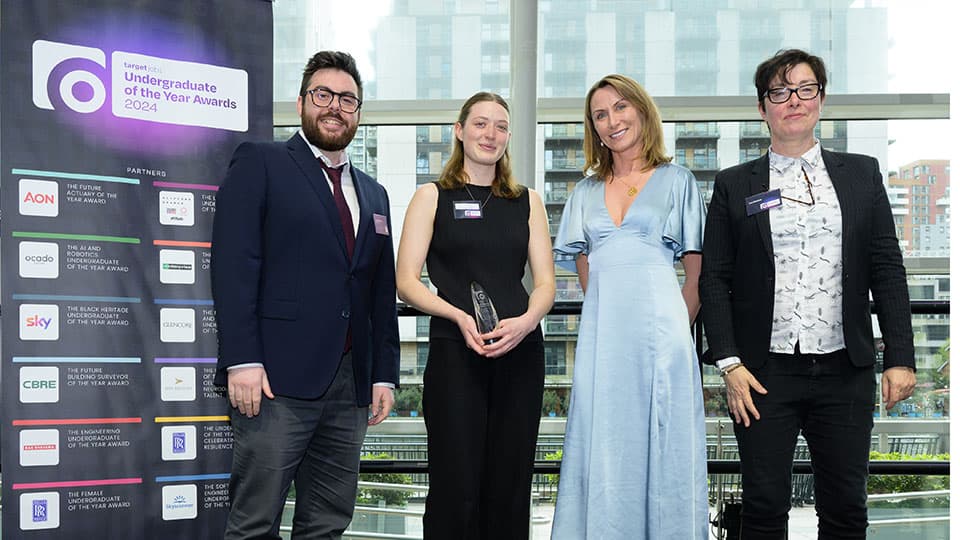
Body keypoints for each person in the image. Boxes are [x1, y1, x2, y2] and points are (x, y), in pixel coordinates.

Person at [699, 49, 916, 539]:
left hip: (845, 369)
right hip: (761, 374)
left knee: (845, 508)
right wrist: (730, 365)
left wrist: (900, 356)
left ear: (820, 98)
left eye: (805, 89)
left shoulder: (861, 174)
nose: (793, 100)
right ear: (763, 108)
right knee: (763, 508)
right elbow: (714, 277)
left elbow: (887, 267)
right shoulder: (735, 185)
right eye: (779, 92)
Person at [211, 50, 400, 539]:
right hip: (275, 381)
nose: (335, 106)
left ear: (358, 113)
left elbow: (380, 293)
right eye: (323, 95)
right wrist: (242, 360)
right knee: (255, 521)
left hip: (350, 387)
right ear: (301, 104)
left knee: (327, 524)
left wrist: (384, 375)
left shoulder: (375, 194)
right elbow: (234, 267)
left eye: (348, 99)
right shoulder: (263, 162)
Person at [551, 74, 708, 539]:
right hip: (603, 341)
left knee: (666, 448)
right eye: (601, 114)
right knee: (604, 445)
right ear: (593, 127)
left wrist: (676, 336)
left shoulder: (678, 181)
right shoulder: (582, 193)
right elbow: (587, 271)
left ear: (641, 111)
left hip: (665, 338)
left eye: (621, 108)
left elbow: (696, 276)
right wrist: (606, 319)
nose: (612, 120)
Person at [395, 91, 555, 539]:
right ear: (460, 131)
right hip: (455, 352)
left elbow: (546, 284)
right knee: (455, 484)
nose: (491, 133)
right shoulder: (431, 196)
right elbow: (406, 280)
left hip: (520, 352)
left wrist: (525, 323)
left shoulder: (528, 201)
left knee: (510, 483)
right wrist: (458, 316)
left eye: (501, 126)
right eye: (481, 123)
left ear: (509, 137)